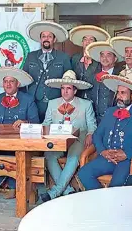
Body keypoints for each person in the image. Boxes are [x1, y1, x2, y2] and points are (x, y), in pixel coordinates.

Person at [77, 74, 132, 190]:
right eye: (118, 92)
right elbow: (97, 134)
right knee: (83, 173)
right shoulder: (110, 111)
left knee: (116, 186)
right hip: (106, 157)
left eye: (123, 93)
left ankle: (109, 205)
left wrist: (127, 154)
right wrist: (103, 151)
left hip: (127, 160)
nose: (119, 96)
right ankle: (103, 203)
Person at [0, 67, 39, 207]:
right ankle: (13, 184)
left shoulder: (28, 99)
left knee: (8, 158)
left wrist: (25, 122)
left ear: (17, 84)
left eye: (12, 81)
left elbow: (36, 123)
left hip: (20, 143)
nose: (8, 84)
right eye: (6, 81)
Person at [40, 70, 97, 201]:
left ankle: (55, 192)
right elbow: (46, 123)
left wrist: (90, 134)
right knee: (49, 155)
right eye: (63, 88)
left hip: (78, 139)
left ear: (75, 91)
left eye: (69, 89)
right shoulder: (53, 103)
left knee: (74, 157)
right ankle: (67, 191)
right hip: (57, 140)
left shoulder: (86, 104)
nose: (65, 92)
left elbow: (92, 126)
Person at [22, 21, 73, 119]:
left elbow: (69, 80)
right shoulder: (31, 56)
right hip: (34, 101)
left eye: (49, 36)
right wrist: (25, 99)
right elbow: (23, 78)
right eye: (44, 36)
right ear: (40, 39)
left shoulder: (63, 57)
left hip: (56, 100)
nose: (46, 39)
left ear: (54, 39)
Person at [82, 41, 122, 122]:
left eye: (108, 55)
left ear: (115, 58)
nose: (105, 58)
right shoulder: (92, 76)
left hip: (116, 119)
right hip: (96, 120)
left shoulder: (121, 76)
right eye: (102, 55)